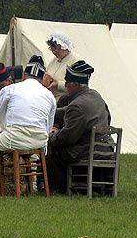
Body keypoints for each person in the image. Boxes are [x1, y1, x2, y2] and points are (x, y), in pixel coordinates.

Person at [0, 55, 56, 195]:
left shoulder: (12, 89)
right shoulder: (50, 96)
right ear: (42, 78)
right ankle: (34, 185)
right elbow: (48, 125)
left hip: (15, 137)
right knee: (33, 148)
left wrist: (3, 125)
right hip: (39, 139)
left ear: (24, 75)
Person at [47, 60, 110, 193]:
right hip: (105, 147)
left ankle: (58, 187)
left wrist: (51, 136)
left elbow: (67, 138)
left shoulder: (77, 105)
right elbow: (108, 117)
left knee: (50, 147)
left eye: (67, 83)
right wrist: (50, 111)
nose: (65, 86)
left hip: (86, 150)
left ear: (75, 84)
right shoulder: (95, 95)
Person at [44, 31, 80, 101]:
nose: (54, 52)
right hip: (51, 99)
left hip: (67, 101)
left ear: (64, 46)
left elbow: (78, 85)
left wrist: (58, 84)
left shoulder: (76, 60)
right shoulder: (54, 60)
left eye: (55, 49)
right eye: (51, 49)